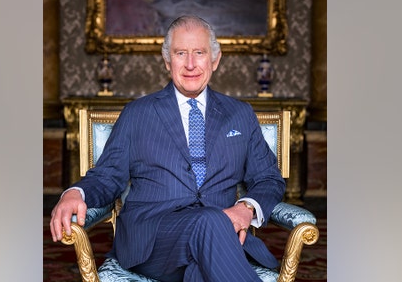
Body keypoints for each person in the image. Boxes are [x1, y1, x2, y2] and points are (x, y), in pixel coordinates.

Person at [50, 15, 286, 281]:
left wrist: (247, 208)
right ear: (167, 62)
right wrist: (74, 193)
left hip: (220, 240)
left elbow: (268, 178)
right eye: (180, 53)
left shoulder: (240, 115)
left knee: (199, 271)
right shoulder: (137, 113)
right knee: (209, 221)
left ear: (215, 60)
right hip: (153, 240)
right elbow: (108, 176)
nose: (190, 64)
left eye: (199, 52)